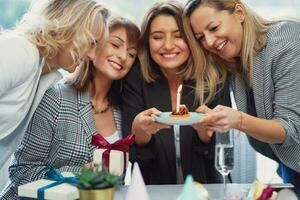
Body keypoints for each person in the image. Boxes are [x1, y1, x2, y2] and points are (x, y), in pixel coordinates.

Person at [0, 16, 140, 199]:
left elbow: (114, 185)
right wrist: (79, 176)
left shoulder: (124, 112)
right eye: (115, 45)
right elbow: (21, 172)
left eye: (131, 54)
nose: (123, 56)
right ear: (94, 44)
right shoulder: (55, 97)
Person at [183, 0, 300, 187]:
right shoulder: (234, 60)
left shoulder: (286, 41)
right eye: (201, 37)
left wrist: (238, 120)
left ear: (239, 12)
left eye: (213, 27)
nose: (209, 42)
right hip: (290, 166)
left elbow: (290, 129)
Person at [121, 1, 230, 185]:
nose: (168, 45)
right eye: (157, 37)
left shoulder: (214, 76)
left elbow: (223, 153)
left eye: (179, 36)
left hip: (206, 190)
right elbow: (134, 159)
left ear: (191, 39)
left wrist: (205, 136)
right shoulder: (135, 78)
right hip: (152, 192)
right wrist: (140, 137)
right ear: (148, 42)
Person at [0, 0, 109, 168]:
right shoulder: (20, 51)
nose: (93, 56)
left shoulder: (45, 76)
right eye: (91, 43)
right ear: (69, 27)